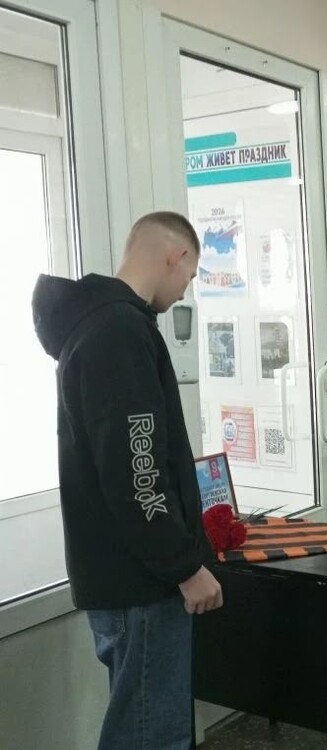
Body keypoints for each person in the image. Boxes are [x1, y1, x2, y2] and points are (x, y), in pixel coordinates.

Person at [32, 211, 222, 750]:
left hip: (125, 575)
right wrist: (184, 565)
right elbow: (137, 474)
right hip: (141, 583)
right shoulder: (118, 332)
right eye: (190, 276)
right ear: (175, 257)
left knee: (143, 726)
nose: (184, 291)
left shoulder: (101, 325)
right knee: (150, 736)